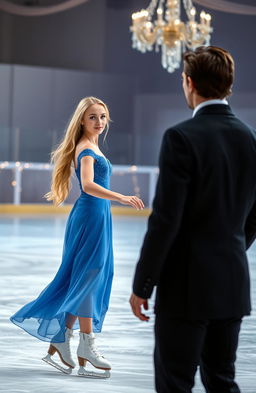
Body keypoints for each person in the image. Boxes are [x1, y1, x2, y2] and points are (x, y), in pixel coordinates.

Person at [129, 46, 256, 393]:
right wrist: (229, 248)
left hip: (186, 288)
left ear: (189, 82)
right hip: (232, 283)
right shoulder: (251, 139)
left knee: (175, 383)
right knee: (222, 381)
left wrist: (143, 284)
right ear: (228, 84)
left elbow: (166, 220)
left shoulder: (181, 137)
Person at [10, 96, 144, 378]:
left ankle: (61, 339)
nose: (99, 122)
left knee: (87, 275)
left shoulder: (92, 145)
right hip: (90, 216)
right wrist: (121, 196)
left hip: (97, 216)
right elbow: (87, 185)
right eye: (93, 117)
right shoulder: (85, 149)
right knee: (89, 275)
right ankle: (87, 344)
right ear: (82, 120)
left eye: (103, 117)